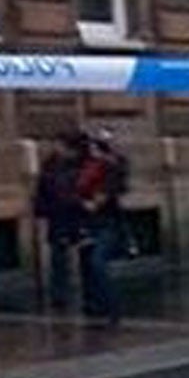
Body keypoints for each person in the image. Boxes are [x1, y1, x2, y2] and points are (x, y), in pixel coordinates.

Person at [72, 131, 122, 325]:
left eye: (95, 147)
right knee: (88, 263)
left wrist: (85, 202)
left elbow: (101, 199)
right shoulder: (88, 168)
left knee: (97, 263)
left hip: (106, 223)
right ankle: (96, 305)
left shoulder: (111, 168)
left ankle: (112, 306)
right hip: (89, 224)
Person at [33, 129, 86, 310]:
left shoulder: (81, 164)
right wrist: (41, 210)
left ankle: (88, 289)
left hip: (75, 213)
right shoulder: (50, 164)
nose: (56, 147)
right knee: (59, 255)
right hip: (58, 214)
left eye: (59, 144)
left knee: (83, 251)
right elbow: (43, 187)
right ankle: (59, 293)